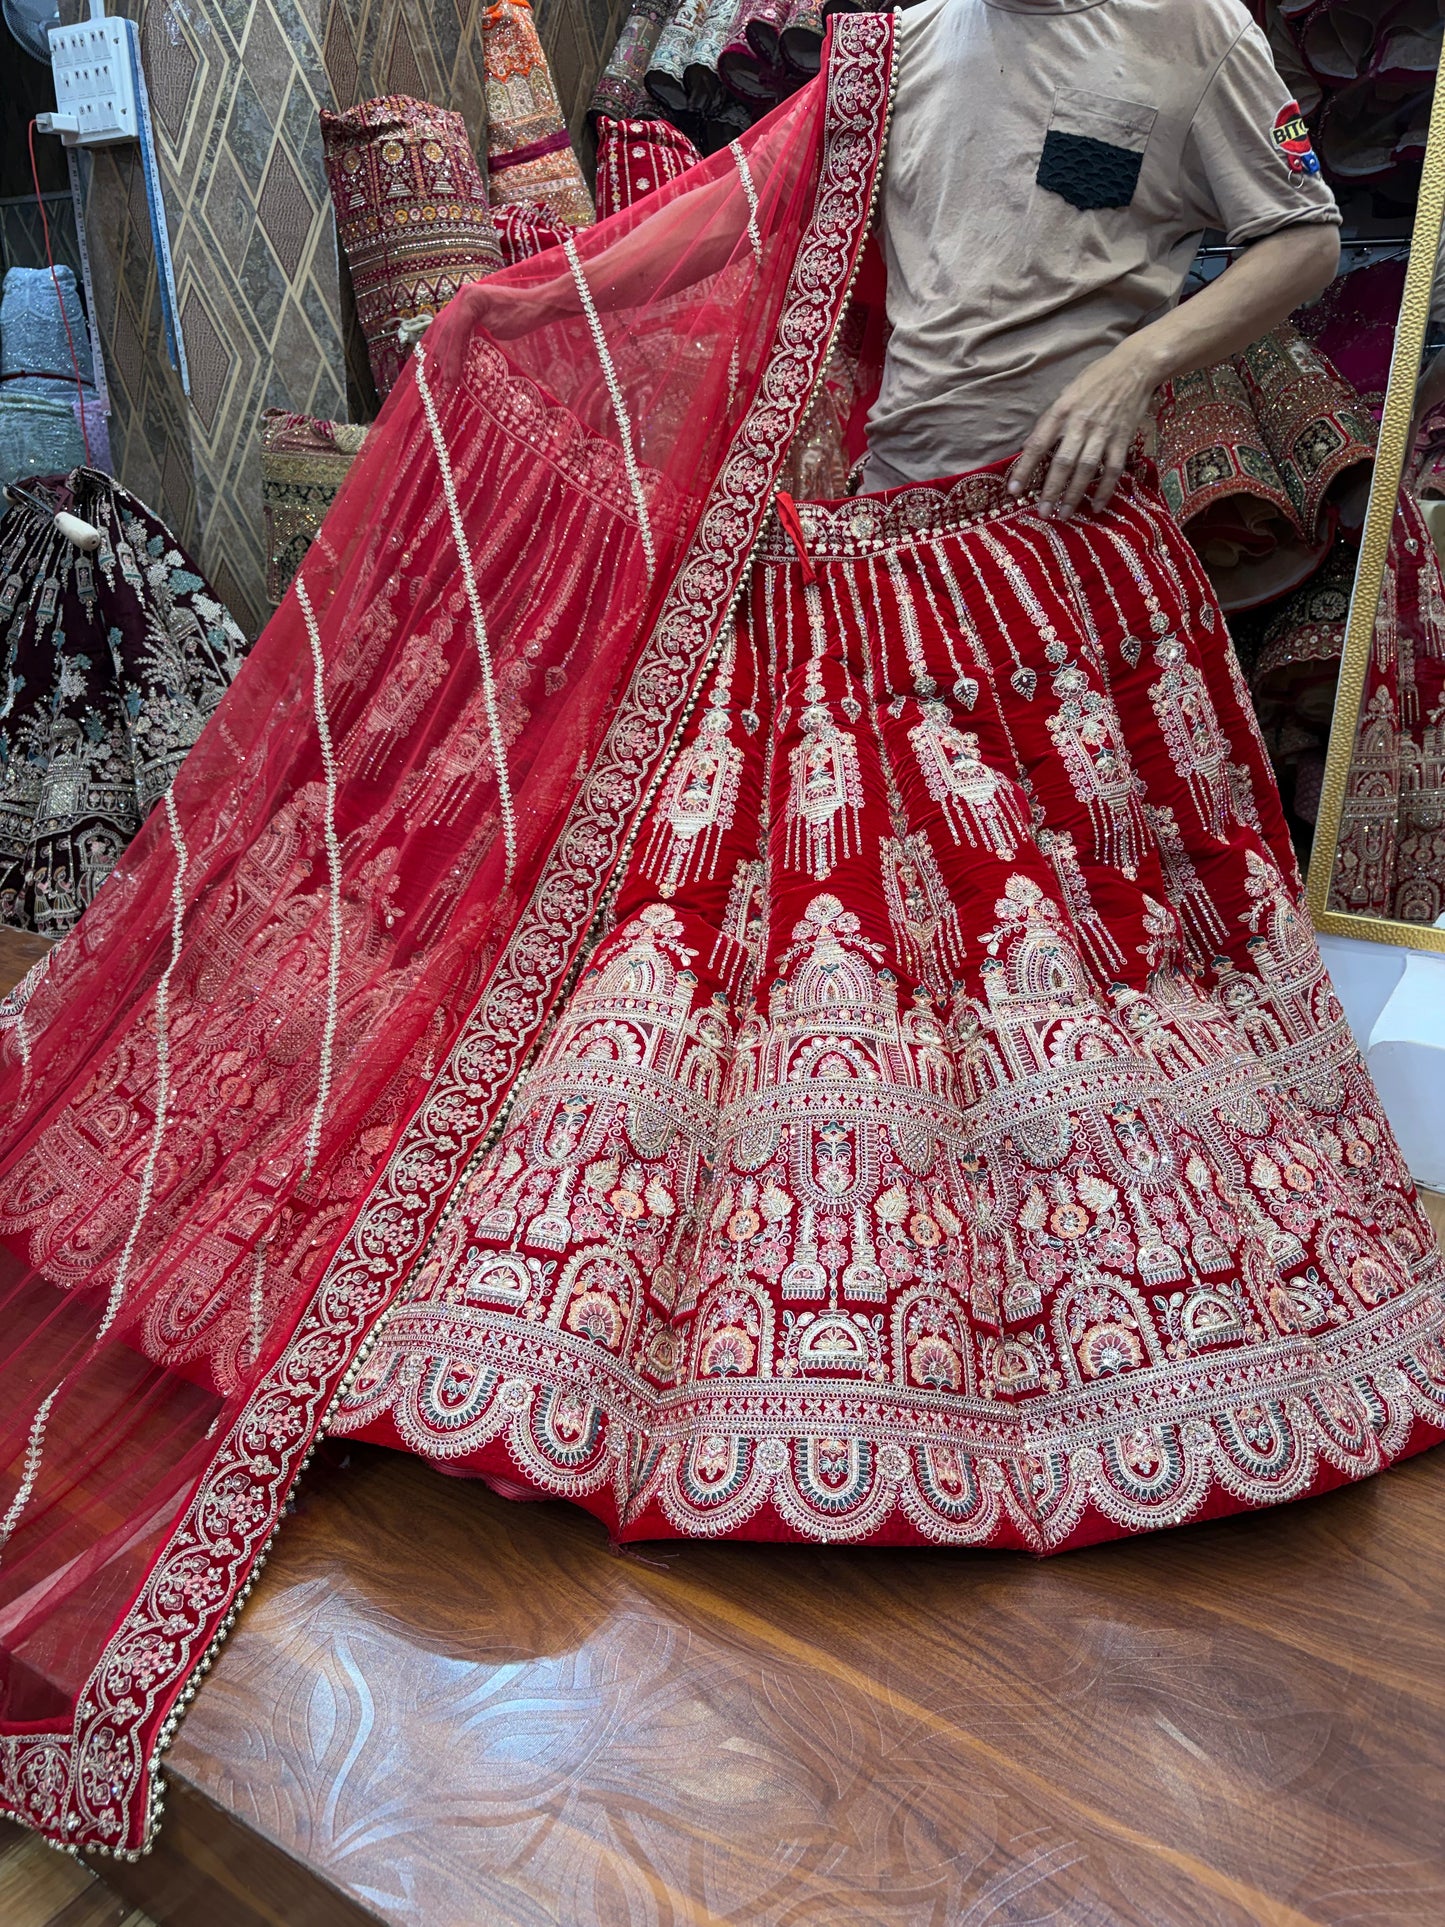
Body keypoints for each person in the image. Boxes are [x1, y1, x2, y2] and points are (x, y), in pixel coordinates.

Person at [2, 3, 1441, 1856]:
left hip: (1063, 555)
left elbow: (1307, 240)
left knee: (1100, 977)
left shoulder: (1197, 31)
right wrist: (530, 341)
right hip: (881, 526)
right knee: (782, 960)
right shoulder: (901, 39)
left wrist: (1138, 366)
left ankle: (1121, 1348)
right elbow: (762, 262)